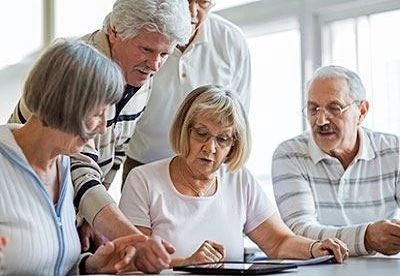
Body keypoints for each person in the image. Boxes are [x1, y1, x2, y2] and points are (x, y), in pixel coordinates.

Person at [8, 0, 192, 270]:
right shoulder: (78, 71)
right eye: (146, 49)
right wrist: (135, 240)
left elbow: (117, 153)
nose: (154, 65)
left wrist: (88, 219)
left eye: (164, 54)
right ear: (115, 32)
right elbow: (79, 168)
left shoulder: (141, 73)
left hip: (69, 210)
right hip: (29, 195)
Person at [119, 85, 349, 266]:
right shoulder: (143, 180)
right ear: (184, 130)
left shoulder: (239, 179)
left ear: (233, 145)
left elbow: (279, 242)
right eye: (201, 134)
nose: (210, 148)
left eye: (222, 139)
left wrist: (315, 248)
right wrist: (187, 264)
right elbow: (134, 262)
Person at [0, 39, 155, 274]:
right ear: (65, 106)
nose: (103, 128)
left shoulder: (62, 165)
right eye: (97, 114)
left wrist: (89, 266)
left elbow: (45, 263)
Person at [272, 65, 400, 256]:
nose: (321, 120)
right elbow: (299, 231)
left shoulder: (394, 151)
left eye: (334, 108)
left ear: (362, 112)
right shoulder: (290, 154)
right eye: (313, 109)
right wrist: (366, 237)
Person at [122, 0, 251, 183]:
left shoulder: (232, 40)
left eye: (203, 2)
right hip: (145, 164)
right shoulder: (145, 34)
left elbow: (238, 119)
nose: (192, 11)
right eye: (184, 0)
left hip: (208, 166)